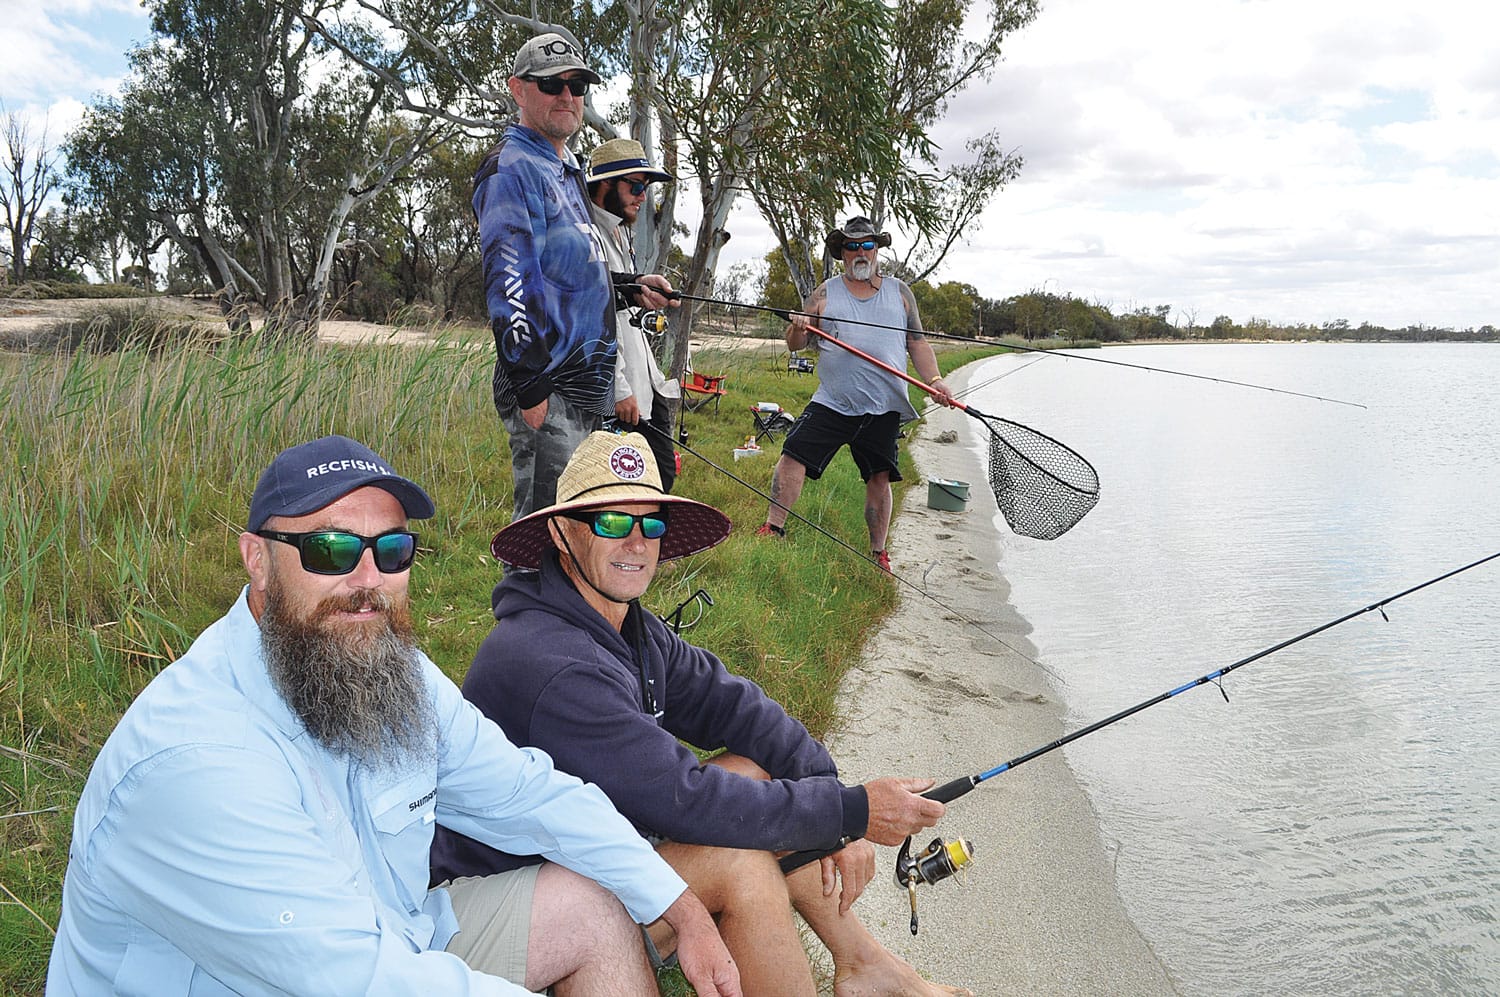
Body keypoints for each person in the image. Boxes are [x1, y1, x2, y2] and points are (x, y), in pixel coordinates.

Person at [47, 435, 739, 997]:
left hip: (394, 932)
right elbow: (357, 980)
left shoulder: (385, 669)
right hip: (304, 976)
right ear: (257, 560)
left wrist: (674, 903)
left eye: (392, 550)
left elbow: (529, 793)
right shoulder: (195, 761)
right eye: (331, 549)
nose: (367, 580)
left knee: (593, 905)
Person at [431, 431, 971, 997]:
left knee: (756, 772)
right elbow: (687, 799)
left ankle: (863, 963)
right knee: (734, 856)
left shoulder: (627, 625)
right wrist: (852, 811)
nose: (636, 542)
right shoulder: (549, 662)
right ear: (562, 533)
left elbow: (737, 707)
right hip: (510, 893)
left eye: (652, 524)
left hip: (585, 851)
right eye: (612, 522)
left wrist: (828, 789)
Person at [475, 33, 677, 524]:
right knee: (547, 528)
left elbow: (569, 278)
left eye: (577, 84)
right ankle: (526, 602)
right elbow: (511, 287)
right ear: (518, 90)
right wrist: (532, 389)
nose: (567, 96)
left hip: (589, 391)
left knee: (582, 527)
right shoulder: (512, 168)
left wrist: (629, 288)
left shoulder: (565, 168)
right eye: (551, 85)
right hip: (553, 391)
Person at [755, 216, 956, 573]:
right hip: (833, 400)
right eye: (852, 246)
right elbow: (795, 345)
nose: (860, 252)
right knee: (792, 456)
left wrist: (937, 380)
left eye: (867, 245)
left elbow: (917, 344)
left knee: (879, 477)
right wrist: (798, 326)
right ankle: (773, 527)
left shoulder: (901, 293)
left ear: (877, 250)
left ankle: (878, 553)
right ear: (842, 253)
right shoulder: (826, 292)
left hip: (884, 405)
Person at [587, 137, 680, 491]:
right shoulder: (590, 235)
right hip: (622, 397)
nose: (643, 196)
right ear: (606, 185)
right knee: (632, 489)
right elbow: (596, 321)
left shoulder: (618, 232)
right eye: (636, 186)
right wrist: (619, 388)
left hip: (645, 388)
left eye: (646, 187)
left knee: (661, 480)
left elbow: (624, 312)